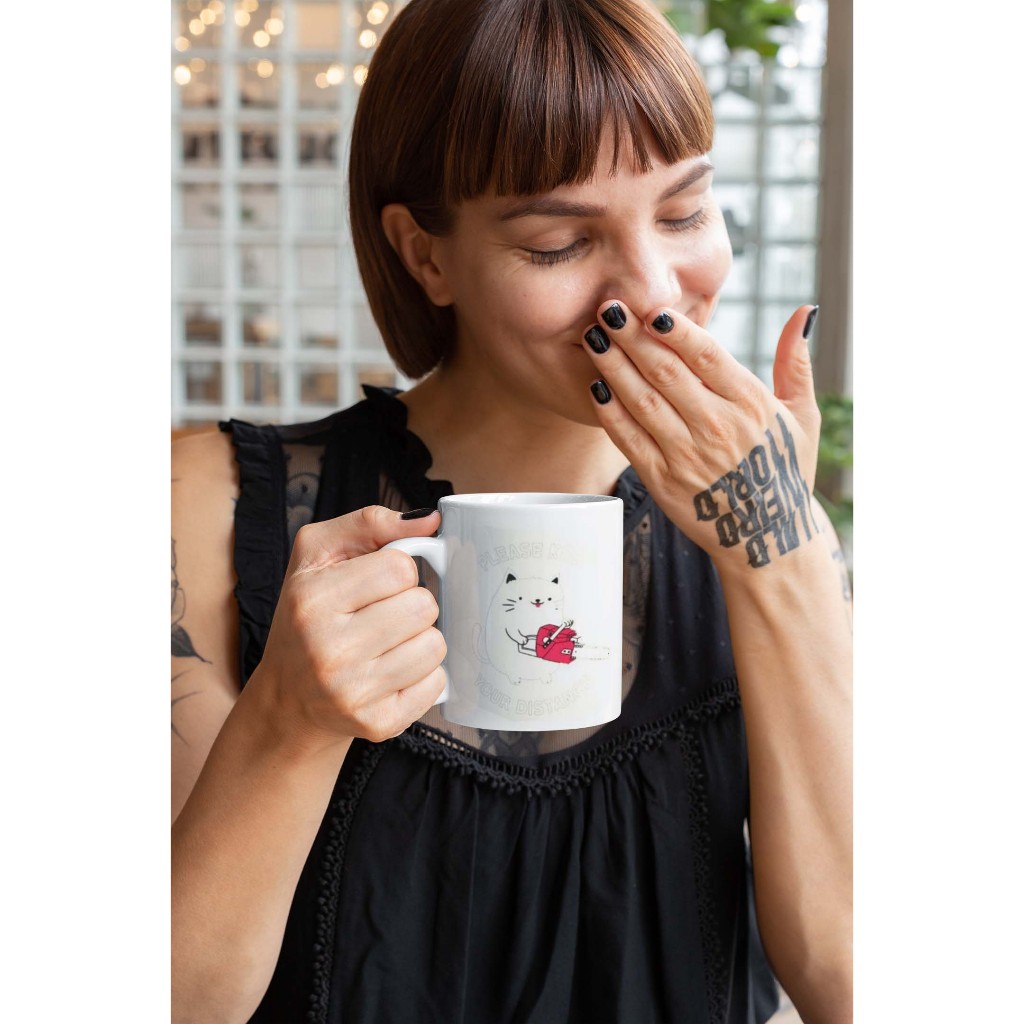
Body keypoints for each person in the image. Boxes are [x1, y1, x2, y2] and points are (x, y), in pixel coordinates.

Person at [171, 0, 853, 1021]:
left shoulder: (773, 528)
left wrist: (779, 552)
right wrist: (288, 722)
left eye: (682, 213)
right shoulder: (205, 507)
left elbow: (853, 982)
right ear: (425, 255)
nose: (654, 291)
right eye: (558, 243)